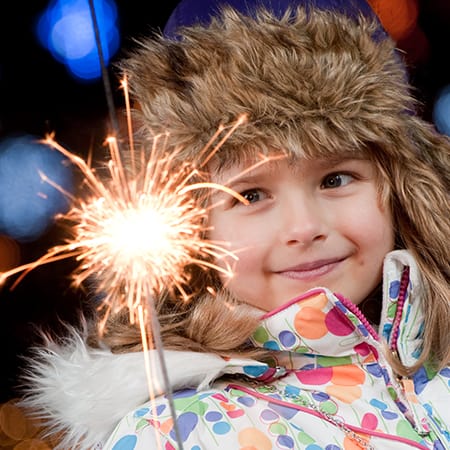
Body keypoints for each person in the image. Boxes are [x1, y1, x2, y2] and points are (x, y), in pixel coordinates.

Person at [18, 0, 450, 449]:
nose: (303, 227)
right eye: (250, 195)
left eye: (335, 179)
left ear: (405, 186)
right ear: (195, 230)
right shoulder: (179, 431)